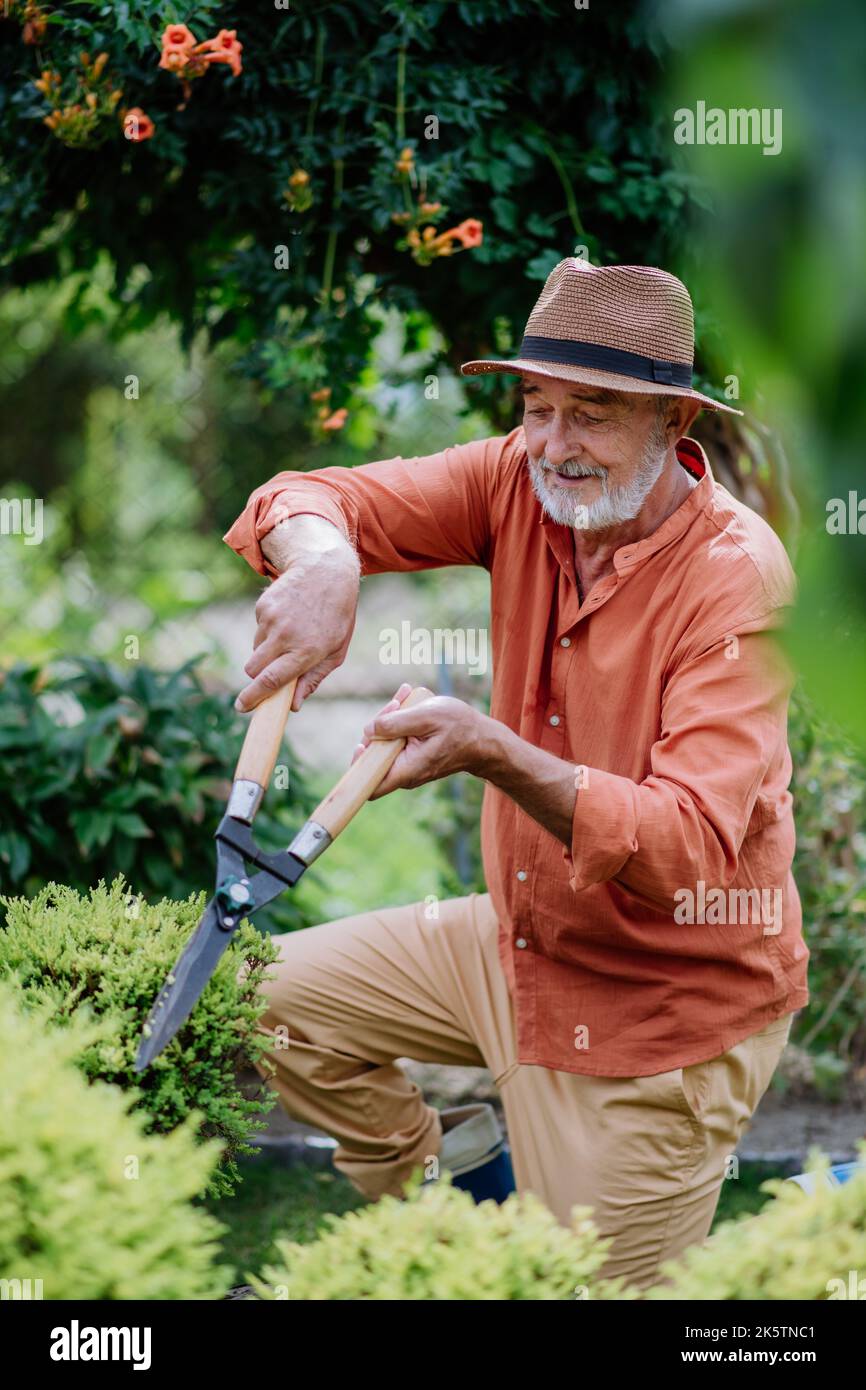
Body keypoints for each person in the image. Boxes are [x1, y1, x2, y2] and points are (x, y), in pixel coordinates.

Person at [223, 258, 809, 1290]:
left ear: (672, 418)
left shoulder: (736, 579)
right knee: (263, 1003)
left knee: (581, 1294)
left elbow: (682, 850)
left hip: (658, 1004)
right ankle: (461, 1200)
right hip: (517, 939)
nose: (549, 442)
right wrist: (323, 563)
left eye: (590, 412)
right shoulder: (517, 480)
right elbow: (309, 494)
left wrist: (493, 750)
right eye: (534, 405)